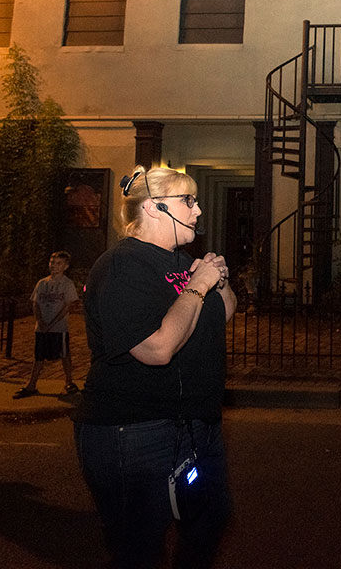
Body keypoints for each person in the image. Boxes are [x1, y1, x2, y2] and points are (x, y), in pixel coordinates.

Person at [73, 166, 236, 569]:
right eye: (189, 201)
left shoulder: (183, 260)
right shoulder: (121, 266)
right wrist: (198, 286)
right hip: (135, 430)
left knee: (209, 521)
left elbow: (223, 313)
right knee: (140, 546)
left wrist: (220, 281)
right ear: (154, 207)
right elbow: (158, 349)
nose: (198, 211)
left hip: (195, 426)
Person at [13, 250, 79, 398]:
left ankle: (69, 381)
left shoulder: (67, 284)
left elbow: (67, 306)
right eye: (52, 263)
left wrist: (53, 322)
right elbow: (36, 304)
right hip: (42, 328)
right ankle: (32, 384)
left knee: (64, 353)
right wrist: (40, 321)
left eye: (58, 263)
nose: (53, 266)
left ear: (65, 266)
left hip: (59, 327)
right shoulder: (42, 283)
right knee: (39, 356)